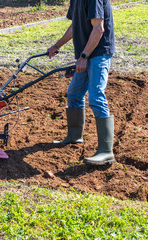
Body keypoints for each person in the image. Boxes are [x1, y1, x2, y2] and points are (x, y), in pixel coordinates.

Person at [47, 0, 115, 165]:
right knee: (74, 93)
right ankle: (74, 136)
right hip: (85, 53)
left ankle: (106, 151)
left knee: (96, 96)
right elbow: (75, 27)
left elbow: (98, 29)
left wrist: (84, 57)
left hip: (98, 53)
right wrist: (57, 45)